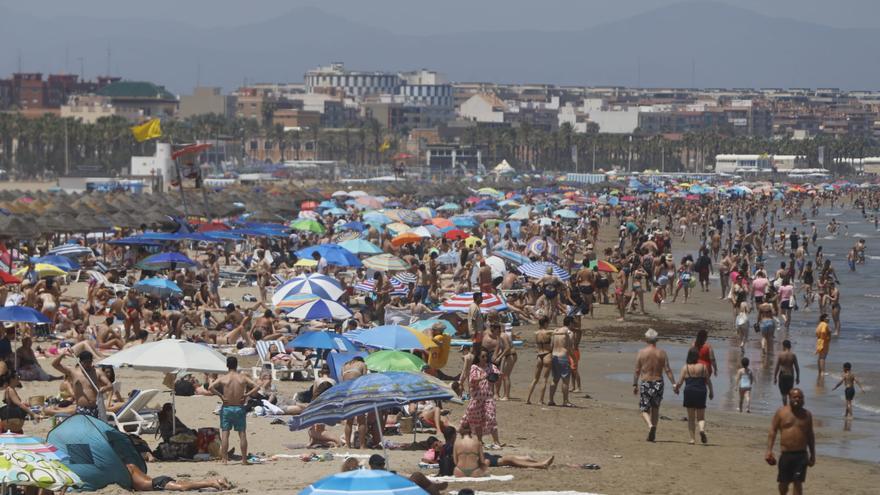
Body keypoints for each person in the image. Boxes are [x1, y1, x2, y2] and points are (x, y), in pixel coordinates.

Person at [209, 356, 259, 465]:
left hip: (227, 407)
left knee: (225, 434)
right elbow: (256, 386)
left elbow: (210, 387)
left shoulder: (223, 378)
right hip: (239, 407)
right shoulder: (242, 378)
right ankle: (244, 460)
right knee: (242, 434)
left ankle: (224, 460)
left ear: (227, 365)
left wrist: (221, 395)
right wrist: (246, 395)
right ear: (236, 365)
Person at [765, 389, 815, 495]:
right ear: (789, 398)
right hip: (786, 454)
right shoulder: (781, 412)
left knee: (798, 482)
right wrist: (769, 450)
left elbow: (810, 435)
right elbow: (773, 430)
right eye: (795, 397)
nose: (797, 399)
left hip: (801, 455)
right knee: (783, 484)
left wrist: (813, 455)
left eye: (800, 397)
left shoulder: (807, 415)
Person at [633, 328, 676, 442]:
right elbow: (667, 370)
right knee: (655, 408)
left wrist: (634, 384)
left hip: (646, 381)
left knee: (643, 409)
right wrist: (674, 384)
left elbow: (637, 370)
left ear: (646, 340)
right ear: (656, 340)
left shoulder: (641, 352)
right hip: (658, 382)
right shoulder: (662, 352)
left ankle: (650, 426)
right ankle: (654, 429)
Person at [51, 349, 111, 418]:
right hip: (81, 409)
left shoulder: (97, 372)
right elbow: (55, 365)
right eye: (86, 362)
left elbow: (109, 385)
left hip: (95, 408)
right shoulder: (73, 371)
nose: (88, 364)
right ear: (80, 362)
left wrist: (103, 389)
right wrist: (63, 354)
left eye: (90, 362)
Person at [461, 348, 502, 448]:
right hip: (477, 398)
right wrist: (483, 377)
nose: (485, 358)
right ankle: (480, 441)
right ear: (478, 357)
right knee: (477, 420)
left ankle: (497, 441)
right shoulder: (474, 367)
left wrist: (497, 377)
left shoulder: (491, 367)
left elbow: (498, 376)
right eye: (482, 356)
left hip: (488, 398)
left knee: (491, 417)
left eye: (486, 356)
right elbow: (472, 380)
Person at [674, 347, 714, 444]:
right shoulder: (703, 367)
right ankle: (701, 430)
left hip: (689, 392)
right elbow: (708, 381)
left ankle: (692, 439)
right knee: (701, 417)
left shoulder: (685, 367)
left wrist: (676, 388)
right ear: (697, 356)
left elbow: (680, 382)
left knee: (691, 418)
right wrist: (711, 392)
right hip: (701, 391)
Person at [126, 463, 231, 492]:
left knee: (183, 487)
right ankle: (218, 480)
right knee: (186, 484)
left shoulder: (126, 471)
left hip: (157, 484)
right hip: (158, 479)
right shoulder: (131, 466)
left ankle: (212, 483)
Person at [547, 316, 574, 407]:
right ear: (570, 323)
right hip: (563, 356)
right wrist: (574, 359)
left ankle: (551, 400)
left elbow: (551, 346)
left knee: (555, 379)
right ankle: (565, 401)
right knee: (565, 381)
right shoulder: (569, 333)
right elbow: (570, 348)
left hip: (554, 356)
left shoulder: (555, 331)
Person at [525, 316, 552, 405]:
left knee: (535, 379)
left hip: (539, 355)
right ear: (545, 323)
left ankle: (528, 399)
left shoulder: (535, 333)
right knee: (544, 379)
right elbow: (558, 332)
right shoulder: (548, 332)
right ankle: (540, 400)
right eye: (548, 323)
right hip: (547, 354)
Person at [773, 340, 800, 406]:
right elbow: (797, 367)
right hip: (790, 375)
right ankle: (791, 407)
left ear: (784, 346)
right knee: (790, 393)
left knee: (784, 394)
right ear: (790, 346)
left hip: (783, 375)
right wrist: (797, 377)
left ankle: (785, 407)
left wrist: (775, 377)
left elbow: (777, 367)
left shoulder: (780, 355)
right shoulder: (793, 355)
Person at [815, 313, 831, 379]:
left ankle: (820, 371)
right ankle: (822, 372)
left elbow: (817, 332)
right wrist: (827, 336)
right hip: (823, 342)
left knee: (820, 357)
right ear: (824, 318)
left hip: (819, 341)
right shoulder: (824, 324)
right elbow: (823, 332)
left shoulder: (820, 324)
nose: (829, 318)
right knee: (823, 357)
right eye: (827, 317)